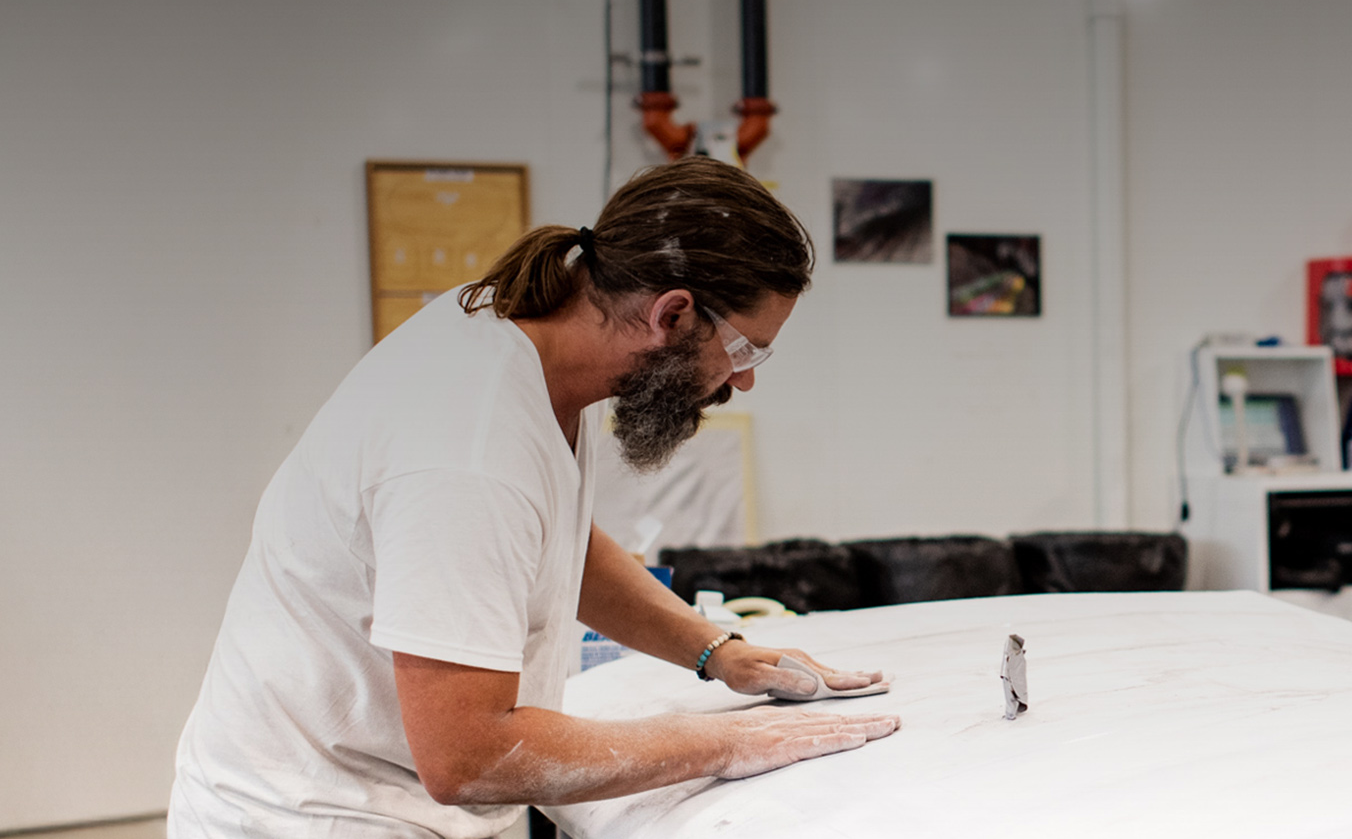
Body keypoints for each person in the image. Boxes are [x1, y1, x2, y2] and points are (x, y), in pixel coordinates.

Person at [171, 159, 896, 837]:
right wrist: (721, 741)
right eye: (745, 352)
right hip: (315, 817)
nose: (744, 382)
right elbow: (468, 756)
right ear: (671, 314)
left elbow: (557, 549)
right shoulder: (467, 444)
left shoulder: (523, 347)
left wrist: (718, 652)